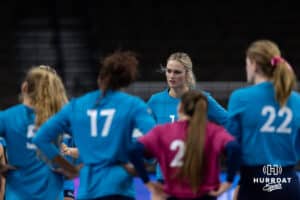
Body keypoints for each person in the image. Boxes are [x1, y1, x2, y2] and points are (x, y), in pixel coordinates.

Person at [33, 51, 156, 200]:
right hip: (120, 187)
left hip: (88, 189)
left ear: (100, 78)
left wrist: (69, 168)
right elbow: (155, 139)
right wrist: (138, 167)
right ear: (124, 82)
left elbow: (40, 138)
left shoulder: (77, 105)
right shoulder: (133, 105)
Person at [129, 90, 240, 200]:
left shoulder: (163, 131)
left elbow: (134, 150)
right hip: (205, 195)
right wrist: (229, 182)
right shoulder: (213, 131)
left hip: (173, 194)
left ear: (180, 108)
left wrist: (147, 182)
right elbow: (234, 148)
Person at [227, 39, 300, 200]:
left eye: (247, 63)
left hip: (254, 184)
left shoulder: (240, 98)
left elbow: (232, 146)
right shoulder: (297, 100)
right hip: (289, 183)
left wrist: (231, 179)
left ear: (254, 64)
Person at [147, 52, 228, 182]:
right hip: (165, 177)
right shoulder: (155, 101)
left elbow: (229, 121)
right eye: (168, 71)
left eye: (177, 72)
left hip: (194, 176)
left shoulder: (201, 99)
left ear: (187, 74)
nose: (171, 76)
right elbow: (146, 135)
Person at [0, 66, 72, 199]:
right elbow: (95, 144)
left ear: (24, 87)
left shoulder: (9, 117)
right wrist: (73, 170)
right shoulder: (61, 119)